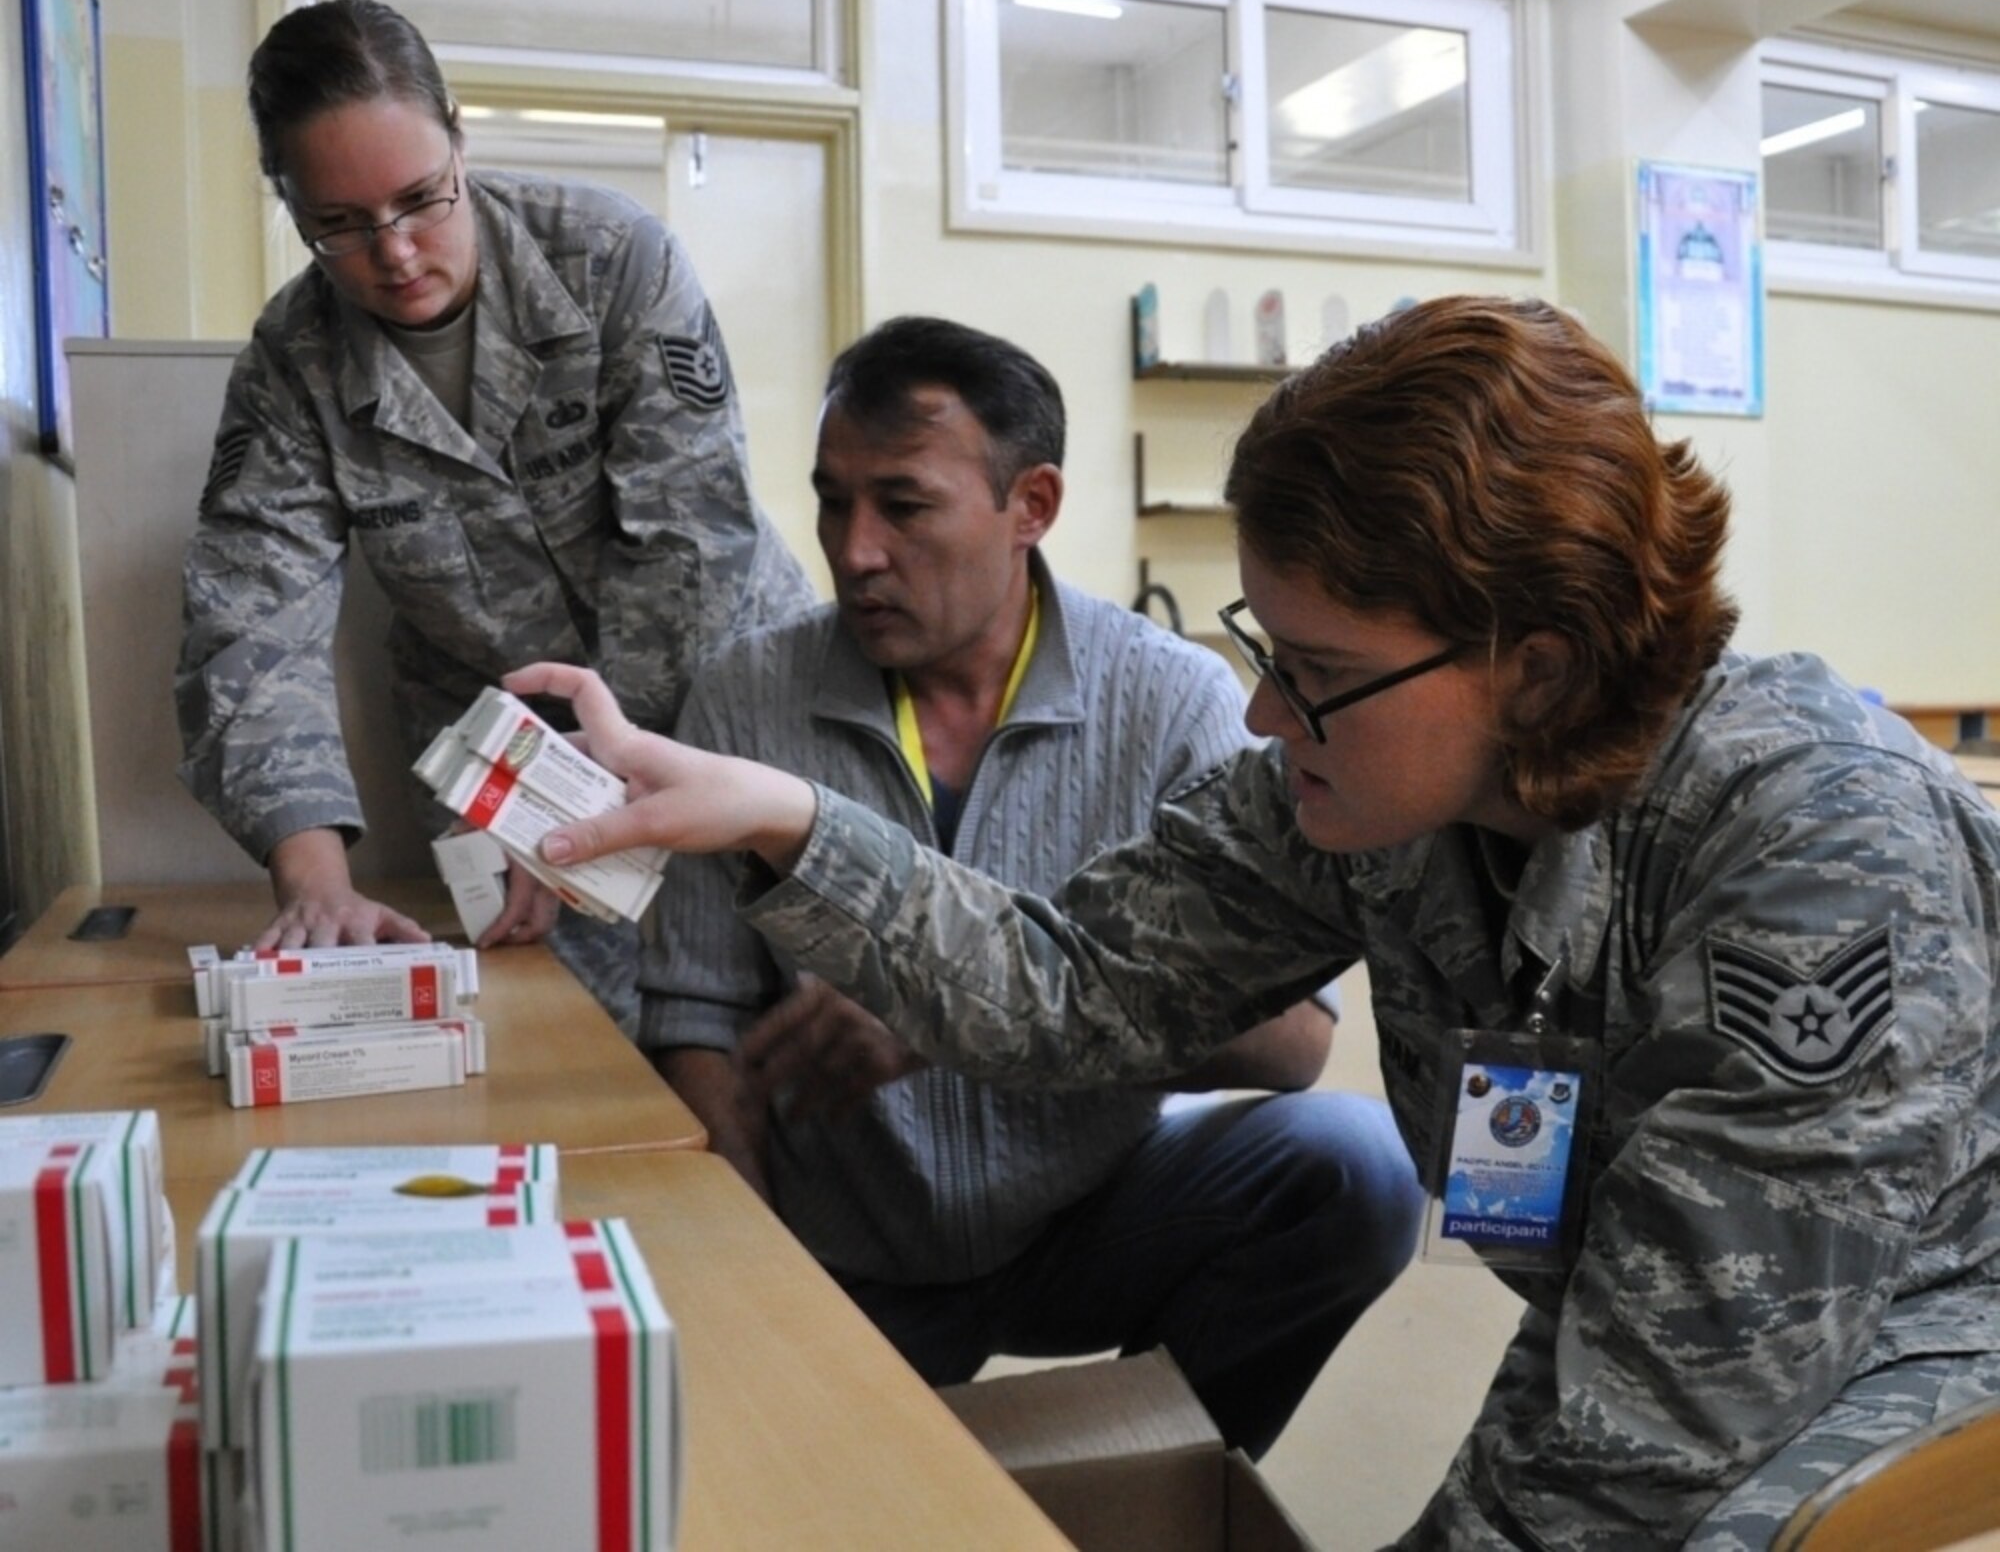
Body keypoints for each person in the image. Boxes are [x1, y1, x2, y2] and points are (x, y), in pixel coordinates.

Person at [511, 295, 2000, 1548]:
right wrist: (776, 814)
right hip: (1651, 1334)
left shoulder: (1813, 846)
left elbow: (1665, 1415)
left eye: (1319, 667)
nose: (1264, 710)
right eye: (1265, 648)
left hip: (1915, 1322)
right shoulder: (1377, 788)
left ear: (1535, 667)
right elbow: (1068, 984)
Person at [643, 315, 1422, 1458]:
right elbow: (692, 1016)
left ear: (1032, 506)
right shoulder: (747, 700)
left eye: (902, 506)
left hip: (1087, 1211)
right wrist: (765, 1275)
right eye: (830, 500)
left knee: (1354, 1167)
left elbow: (1292, 1044)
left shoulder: (1169, 699)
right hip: (845, 1237)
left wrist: (943, 1015)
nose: (853, 550)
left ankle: (1159, 1483)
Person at [173, 0, 813, 1031]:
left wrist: (574, 793)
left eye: (422, 198)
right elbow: (249, 623)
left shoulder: (610, 262)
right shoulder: (294, 364)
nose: (395, 252)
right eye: (337, 224)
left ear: (460, 141)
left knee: (797, 1015)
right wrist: (312, 875)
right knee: (561, 1034)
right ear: (287, 204)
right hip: (493, 751)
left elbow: (686, 555)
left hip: (725, 703)